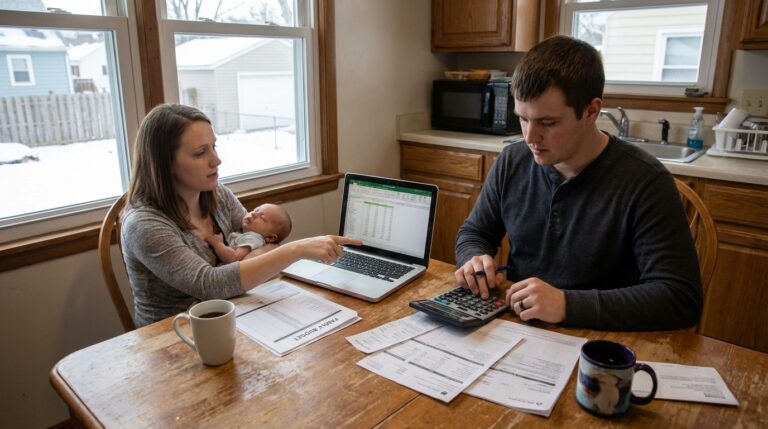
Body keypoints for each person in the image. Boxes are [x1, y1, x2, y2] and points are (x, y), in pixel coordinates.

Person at [454, 35, 702, 331]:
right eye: (523, 118)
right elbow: (475, 232)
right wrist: (474, 258)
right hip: (519, 327)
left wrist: (566, 304)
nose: (530, 138)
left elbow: (680, 298)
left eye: (547, 123)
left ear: (591, 112)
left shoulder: (645, 182)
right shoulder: (512, 161)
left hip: (603, 342)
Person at [121, 104, 361, 327]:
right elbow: (211, 285)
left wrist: (252, 259)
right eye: (200, 152)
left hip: (234, 315)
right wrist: (295, 250)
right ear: (164, 164)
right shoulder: (144, 224)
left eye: (214, 147)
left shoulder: (216, 193)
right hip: (174, 335)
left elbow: (261, 241)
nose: (216, 160)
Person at [206, 203, 292, 264]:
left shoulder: (252, 238)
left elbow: (234, 258)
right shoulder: (249, 236)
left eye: (262, 218)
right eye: (255, 210)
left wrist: (218, 244)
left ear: (270, 237)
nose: (254, 214)